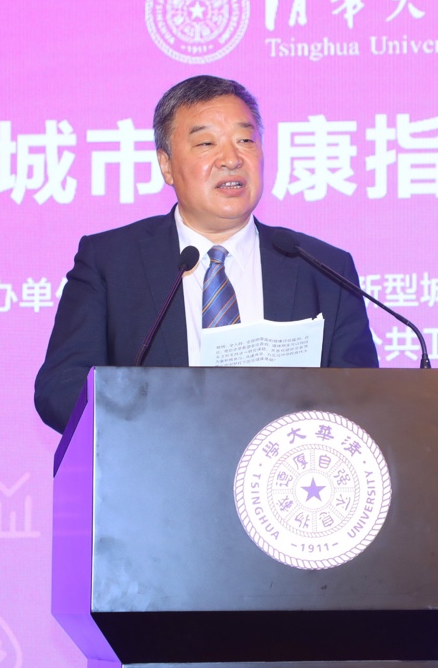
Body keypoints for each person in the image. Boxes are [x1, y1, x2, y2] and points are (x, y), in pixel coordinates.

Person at [34, 75, 378, 432]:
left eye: (245, 140)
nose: (231, 159)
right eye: (206, 143)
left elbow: (364, 397)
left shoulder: (323, 269)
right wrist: (151, 424)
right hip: (158, 462)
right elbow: (60, 386)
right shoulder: (111, 262)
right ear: (166, 165)